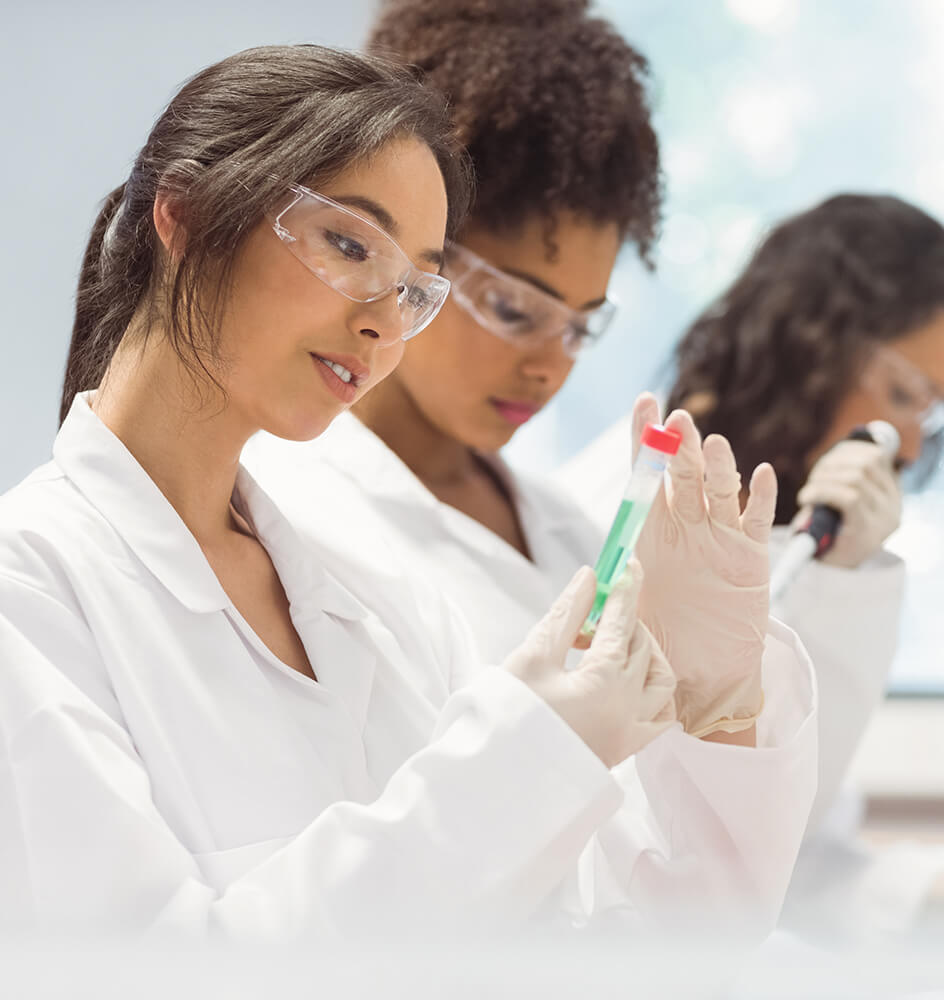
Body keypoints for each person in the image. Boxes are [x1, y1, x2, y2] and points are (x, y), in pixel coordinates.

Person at [0, 44, 807, 999]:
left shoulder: (379, 603)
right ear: (181, 214)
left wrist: (722, 705)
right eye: (350, 247)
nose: (386, 322)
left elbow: (608, 957)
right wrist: (524, 753)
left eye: (419, 286)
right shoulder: (13, 588)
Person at [244, 0, 819, 938]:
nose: (550, 364)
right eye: (516, 309)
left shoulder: (570, 529)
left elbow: (688, 900)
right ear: (412, 260)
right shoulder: (286, 520)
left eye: (582, 325)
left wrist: (729, 704)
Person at [561, 193, 944, 936]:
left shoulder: (811, 542)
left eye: (933, 414)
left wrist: (926, 888)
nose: (906, 442)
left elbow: (795, 848)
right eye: (902, 394)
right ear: (807, 341)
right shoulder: (618, 510)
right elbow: (654, 849)